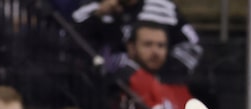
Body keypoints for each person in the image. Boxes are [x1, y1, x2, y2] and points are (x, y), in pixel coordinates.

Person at [117, 21, 248, 109]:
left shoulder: (174, 86)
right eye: (148, 45)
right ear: (131, 48)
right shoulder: (131, 79)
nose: (155, 52)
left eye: (161, 46)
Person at [70, 0, 203, 80]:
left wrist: (165, 73)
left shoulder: (163, 7)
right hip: (105, 85)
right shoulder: (93, 8)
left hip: (158, 83)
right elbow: (68, 35)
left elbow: (192, 44)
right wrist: (98, 14)